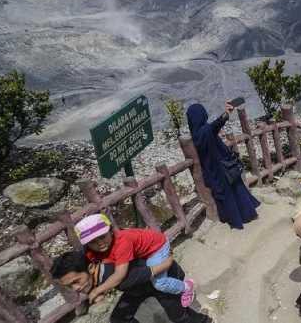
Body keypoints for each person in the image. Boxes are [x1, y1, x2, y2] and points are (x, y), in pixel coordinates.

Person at [51, 251, 211, 323]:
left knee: (179, 317)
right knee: (119, 318)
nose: (76, 288)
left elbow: (148, 273)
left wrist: (168, 262)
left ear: (91, 268)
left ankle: (203, 320)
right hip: (139, 286)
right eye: (70, 286)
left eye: (76, 281)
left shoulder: (117, 277)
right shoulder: (92, 259)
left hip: (164, 279)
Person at [75, 214, 195, 307]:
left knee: (160, 283)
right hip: (145, 250)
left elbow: (119, 275)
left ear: (111, 231)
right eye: (93, 242)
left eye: (102, 237)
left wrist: (97, 290)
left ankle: (186, 287)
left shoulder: (122, 242)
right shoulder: (92, 250)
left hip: (157, 248)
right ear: (87, 244)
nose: (100, 243)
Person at [186, 102, 261, 230]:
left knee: (225, 196)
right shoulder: (206, 130)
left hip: (212, 171)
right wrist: (226, 113)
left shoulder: (196, 135)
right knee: (236, 189)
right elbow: (216, 125)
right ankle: (246, 214)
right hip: (224, 166)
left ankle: (232, 218)